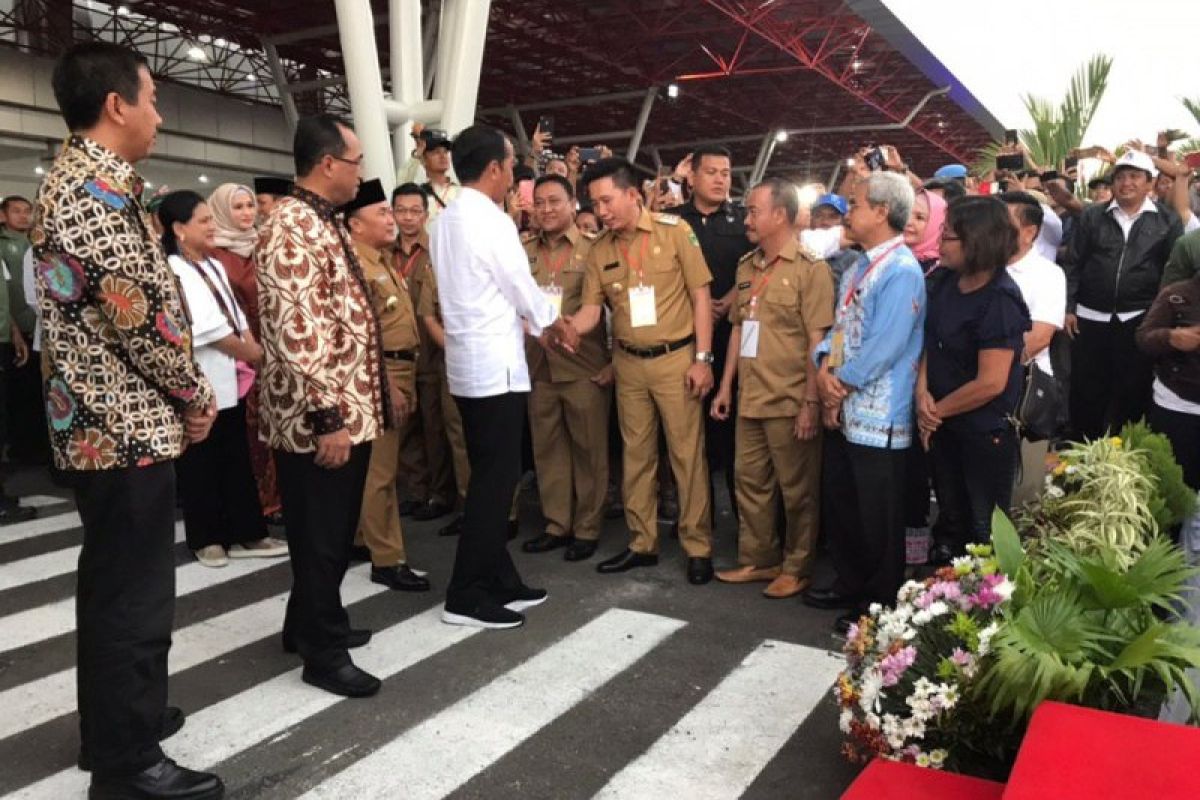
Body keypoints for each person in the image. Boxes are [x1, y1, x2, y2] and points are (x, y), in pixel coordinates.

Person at [35, 42, 222, 799]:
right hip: (124, 426)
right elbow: (142, 319)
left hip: (101, 426)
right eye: (152, 96)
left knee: (112, 589)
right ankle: (127, 764)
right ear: (117, 104)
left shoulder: (79, 182)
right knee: (135, 601)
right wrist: (196, 394)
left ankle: (115, 727)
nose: (159, 111)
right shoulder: (99, 195)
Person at [256, 113, 387, 698]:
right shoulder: (292, 226)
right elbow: (297, 330)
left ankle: (306, 623)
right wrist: (329, 416)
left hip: (342, 408)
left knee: (326, 532)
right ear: (328, 163)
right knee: (321, 535)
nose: (362, 174)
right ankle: (322, 653)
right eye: (357, 162)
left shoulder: (318, 220)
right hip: (319, 420)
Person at [430, 124, 578, 629]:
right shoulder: (489, 221)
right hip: (494, 367)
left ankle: (498, 577)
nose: (516, 175)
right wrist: (553, 324)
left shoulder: (446, 219)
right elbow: (519, 283)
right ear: (494, 168)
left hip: (472, 365)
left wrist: (540, 325)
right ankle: (465, 594)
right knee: (496, 483)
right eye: (513, 164)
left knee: (492, 476)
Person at [570, 158, 717, 584]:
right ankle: (642, 542)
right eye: (595, 203)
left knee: (686, 456)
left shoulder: (675, 233)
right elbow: (591, 312)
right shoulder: (599, 249)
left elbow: (701, 296)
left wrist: (703, 359)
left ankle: (697, 546)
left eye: (607, 200)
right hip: (629, 363)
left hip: (676, 359)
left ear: (632, 194)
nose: (601, 211)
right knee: (636, 457)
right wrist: (565, 328)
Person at [803, 171, 924, 634]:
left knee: (879, 512)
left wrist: (839, 383)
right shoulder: (857, 265)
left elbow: (885, 344)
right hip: (846, 403)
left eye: (855, 205)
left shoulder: (902, 270)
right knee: (845, 502)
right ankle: (850, 581)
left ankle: (879, 599)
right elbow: (839, 330)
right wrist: (823, 369)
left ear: (881, 212)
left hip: (880, 413)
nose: (848, 213)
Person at [710, 178, 834, 598]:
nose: (747, 218)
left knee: (797, 491)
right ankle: (759, 559)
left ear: (779, 215)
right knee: (750, 482)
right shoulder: (747, 266)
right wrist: (726, 387)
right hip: (752, 396)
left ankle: (797, 566)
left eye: (753, 211)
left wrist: (810, 402)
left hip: (790, 398)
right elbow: (738, 330)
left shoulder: (810, 269)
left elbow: (818, 342)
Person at [159, 190, 287, 567]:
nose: (211, 226)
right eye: (204, 221)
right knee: (201, 460)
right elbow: (207, 329)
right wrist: (253, 353)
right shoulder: (173, 268)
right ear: (179, 229)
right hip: (201, 376)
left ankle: (248, 532)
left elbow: (234, 313)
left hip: (230, 376)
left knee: (236, 456)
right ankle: (207, 537)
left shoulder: (211, 264)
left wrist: (249, 342)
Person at [918, 197, 1030, 565]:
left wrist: (936, 412)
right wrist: (923, 394)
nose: (939, 244)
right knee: (951, 516)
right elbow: (928, 340)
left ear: (976, 240)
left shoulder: (1000, 300)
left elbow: (991, 382)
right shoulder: (944, 280)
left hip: (983, 430)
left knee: (985, 527)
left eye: (948, 237)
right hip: (942, 421)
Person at [520, 174, 612, 562]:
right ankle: (557, 523)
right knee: (549, 449)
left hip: (583, 366)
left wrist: (616, 363)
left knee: (589, 449)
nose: (546, 209)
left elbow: (616, 309)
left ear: (573, 203)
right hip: (538, 366)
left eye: (554, 201)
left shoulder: (594, 249)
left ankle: (588, 527)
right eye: (539, 202)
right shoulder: (522, 249)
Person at [345, 178, 430, 592]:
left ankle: (365, 539)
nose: (391, 218)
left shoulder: (379, 260)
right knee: (381, 471)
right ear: (355, 225)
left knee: (380, 466)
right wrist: (388, 385)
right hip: (384, 373)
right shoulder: (357, 265)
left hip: (401, 369)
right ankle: (387, 558)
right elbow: (364, 334)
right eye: (381, 212)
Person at [1065, 150, 1183, 440]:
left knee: (1133, 392)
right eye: (1120, 176)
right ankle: (1081, 458)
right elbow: (1073, 263)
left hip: (1138, 319)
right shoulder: (1092, 216)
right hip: (1089, 319)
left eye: (1134, 176)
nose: (1126, 183)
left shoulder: (1166, 221)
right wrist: (1069, 307)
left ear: (1149, 183)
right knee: (1086, 392)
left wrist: (1159, 319)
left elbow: (1172, 275)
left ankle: (1126, 463)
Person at [666, 145, 753, 521]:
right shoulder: (670, 220)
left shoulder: (741, 223)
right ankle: (689, 515)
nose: (721, 179)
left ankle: (740, 516)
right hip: (683, 338)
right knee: (685, 432)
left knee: (731, 429)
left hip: (732, 336)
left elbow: (757, 264)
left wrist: (730, 299)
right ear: (692, 177)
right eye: (712, 172)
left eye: (726, 172)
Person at [207, 182, 282, 525]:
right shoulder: (214, 254)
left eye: (250, 206)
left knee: (275, 420)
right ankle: (257, 501)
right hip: (240, 350)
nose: (246, 213)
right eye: (237, 207)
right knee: (249, 427)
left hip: (276, 345)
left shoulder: (263, 244)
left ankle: (279, 495)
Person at [392, 182, 455, 521]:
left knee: (435, 425)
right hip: (398, 354)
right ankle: (416, 491)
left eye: (415, 210)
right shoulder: (385, 253)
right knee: (406, 426)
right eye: (401, 210)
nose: (408, 217)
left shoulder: (438, 252)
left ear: (426, 213)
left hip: (432, 350)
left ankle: (441, 493)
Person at [1000, 191, 1067, 507]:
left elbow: (1039, 337)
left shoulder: (1048, 274)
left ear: (1030, 232)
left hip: (1023, 391)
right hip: (980, 388)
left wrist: (990, 369)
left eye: (1005, 222)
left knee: (1022, 490)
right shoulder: (981, 268)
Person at [1136, 273, 1200, 494]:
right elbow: (1144, 337)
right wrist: (1170, 337)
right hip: (1176, 408)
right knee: (1172, 490)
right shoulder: (1175, 295)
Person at [399, 125, 460, 230]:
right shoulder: (418, 194)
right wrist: (418, 153)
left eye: (445, 151)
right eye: (436, 152)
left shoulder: (460, 191)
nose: (443, 156)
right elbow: (401, 186)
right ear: (423, 159)